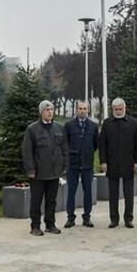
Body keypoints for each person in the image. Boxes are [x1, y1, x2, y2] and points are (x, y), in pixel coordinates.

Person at [22, 101, 68, 236]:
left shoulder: (59, 128)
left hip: (54, 173)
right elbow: (27, 151)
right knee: (36, 201)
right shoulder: (32, 129)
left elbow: (65, 149)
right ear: (41, 112)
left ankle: (50, 224)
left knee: (51, 201)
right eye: (47, 110)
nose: (50, 112)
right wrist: (30, 170)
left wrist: (65, 166)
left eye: (52, 109)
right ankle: (35, 226)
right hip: (38, 173)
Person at [99, 98, 137, 228]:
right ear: (112, 110)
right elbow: (102, 144)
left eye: (120, 109)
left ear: (125, 108)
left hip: (128, 162)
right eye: (116, 109)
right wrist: (103, 162)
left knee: (128, 193)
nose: (118, 112)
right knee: (113, 193)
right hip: (112, 163)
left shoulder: (132, 123)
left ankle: (128, 218)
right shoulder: (107, 123)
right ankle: (114, 219)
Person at [64, 101, 98, 228]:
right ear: (76, 110)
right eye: (80, 108)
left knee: (88, 191)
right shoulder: (69, 125)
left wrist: (87, 153)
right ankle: (70, 218)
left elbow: (95, 144)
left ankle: (87, 217)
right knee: (71, 191)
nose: (82, 110)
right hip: (72, 164)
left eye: (84, 108)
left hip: (87, 164)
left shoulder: (93, 126)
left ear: (88, 110)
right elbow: (65, 143)